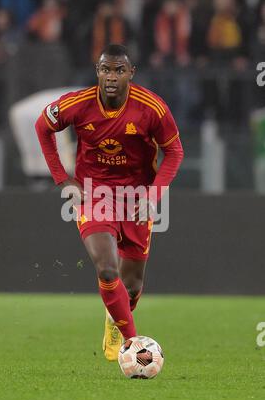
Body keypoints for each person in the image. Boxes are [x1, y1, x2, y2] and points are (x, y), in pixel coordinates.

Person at [35, 44, 184, 361]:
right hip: (94, 193)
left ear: (131, 73)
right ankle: (134, 344)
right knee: (106, 268)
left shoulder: (152, 109)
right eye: (105, 69)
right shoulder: (78, 104)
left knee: (130, 286)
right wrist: (63, 179)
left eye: (119, 70)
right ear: (97, 72)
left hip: (136, 198)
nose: (111, 76)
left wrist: (154, 195)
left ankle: (115, 319)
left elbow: (175, 152)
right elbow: (42, 127)